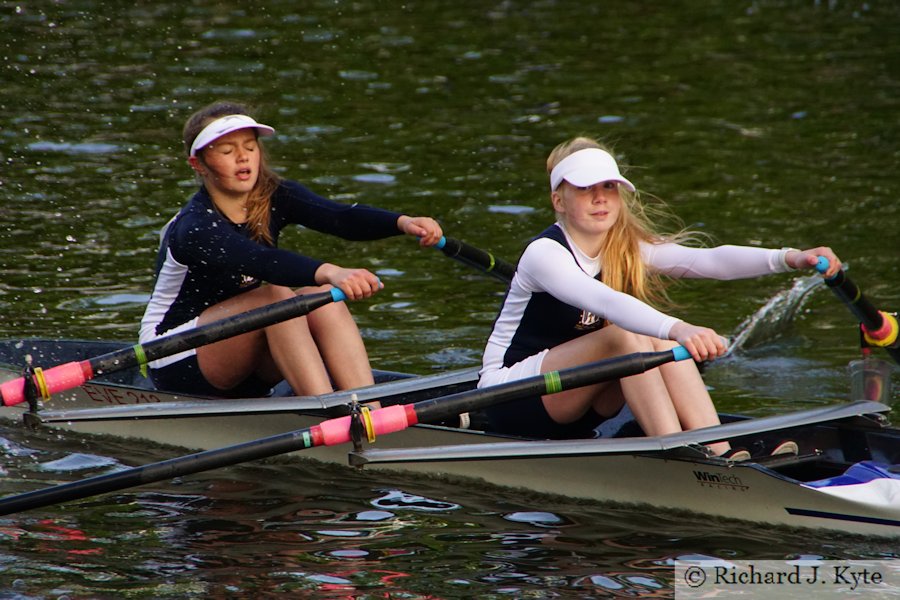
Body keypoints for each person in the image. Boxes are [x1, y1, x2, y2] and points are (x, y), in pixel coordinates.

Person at [477, 137, 841, 457]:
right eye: (586, 188)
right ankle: (676, 451)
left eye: (608, 186)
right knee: (627, 332)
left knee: (647, 333)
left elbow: (709, 260)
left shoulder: (624, 247)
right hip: (511, 397)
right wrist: (680, 329)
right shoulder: (544, 254)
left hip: (576, 396)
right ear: (559, 199)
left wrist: (790, 257)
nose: (600, 197)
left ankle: (719, 451)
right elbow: (607, 302)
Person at [139, 101, 443, 399]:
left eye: (250, 146)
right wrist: (334, 272)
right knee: (277, 294)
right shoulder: (195, 226)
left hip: (243, 347)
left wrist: (404, 223)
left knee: (319, 297)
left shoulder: (275, 195)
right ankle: (330, 413)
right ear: (199, 164)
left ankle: (367, 409)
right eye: (228, 151)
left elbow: (341, 218)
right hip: (174, 356)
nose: (243, 158)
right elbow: (262, 261)